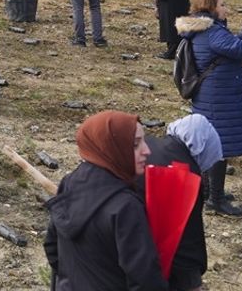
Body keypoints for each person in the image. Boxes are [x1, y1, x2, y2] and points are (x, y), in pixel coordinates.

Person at [43, 111, 167, 291]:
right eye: (135, 144)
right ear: (112, 148)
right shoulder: (125, 207)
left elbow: (52, 247)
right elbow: (145, 278)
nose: (147, 150)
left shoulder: (70, 182)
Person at [176, 0, 242, 217]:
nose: (226, 8)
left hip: (212, 96)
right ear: (211, 7)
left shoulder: (205, 28)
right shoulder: (212, 31)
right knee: (219, 148)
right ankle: (215, 200)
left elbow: (225, 48)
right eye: (222, 4)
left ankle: (209, 191)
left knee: (212, 144)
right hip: (218, 99)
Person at [143, 115, 223, 291]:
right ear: (203, 147)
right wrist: (192, 282)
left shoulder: (145, 145)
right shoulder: (187, 175)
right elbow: (186, 237)